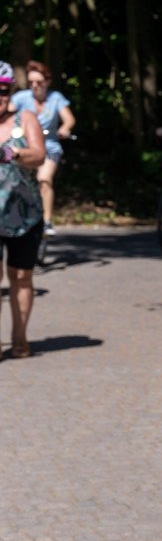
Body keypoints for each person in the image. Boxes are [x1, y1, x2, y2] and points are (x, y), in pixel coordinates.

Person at [0, 61, 47, 359]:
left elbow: (39, 155)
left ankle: (20, 338)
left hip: (24, 215)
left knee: (20, 277)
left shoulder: (25, 118)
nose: (0, 97)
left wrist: (13, 152)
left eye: (4, 91)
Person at [9, 60, 75, 238]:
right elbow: (7, 113)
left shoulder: (56, 98)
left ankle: (46, 222)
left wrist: (65, 129)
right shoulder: (21, 98)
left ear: (47, 81)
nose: (35, 86)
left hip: (49, 147)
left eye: (39, 82)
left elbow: (69, 119)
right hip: (24, 148)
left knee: (44, 179)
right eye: (31, 83)